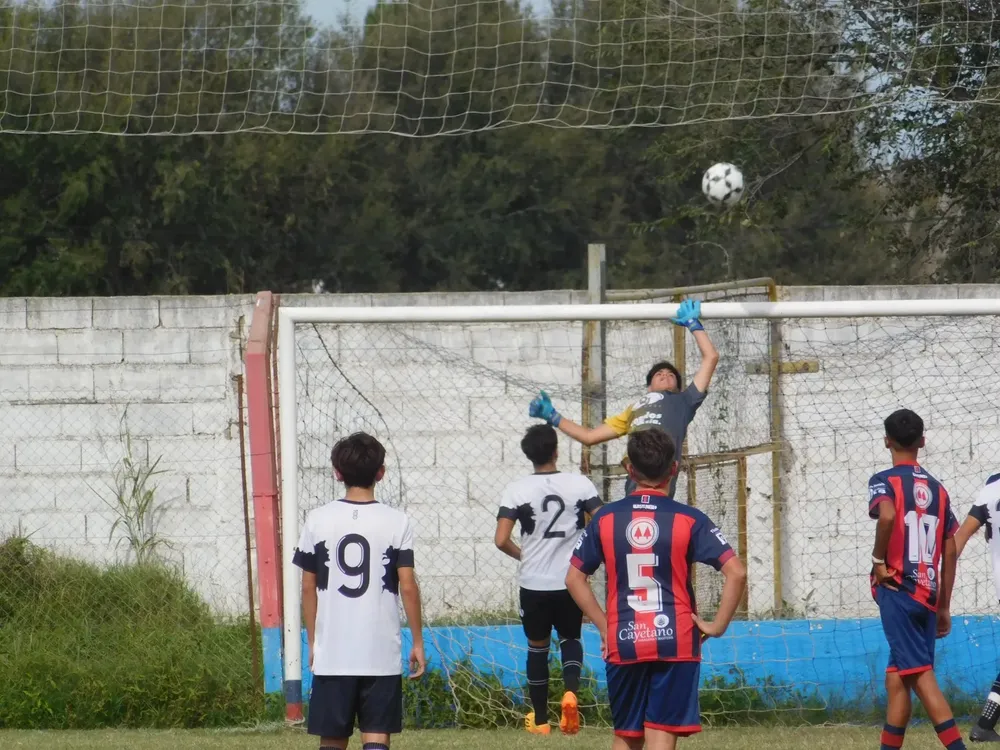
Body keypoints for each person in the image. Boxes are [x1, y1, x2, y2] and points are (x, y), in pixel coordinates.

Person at [565, 427, 746, 750]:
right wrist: (716, 626)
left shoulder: (605, 518)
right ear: (674, 468)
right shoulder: (690, 519)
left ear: (629, 470)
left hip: (625, 637)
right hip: (675, 638)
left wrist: (606, 628)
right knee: (662, 733)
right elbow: (737, 572)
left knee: (627, 736)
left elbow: (574, 578)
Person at [293, 432, 426, 750]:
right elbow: (407, 585)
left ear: (337, 473)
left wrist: (313, 641)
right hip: (380, 651)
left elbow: (308, 586)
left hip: (335, 652)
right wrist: (418, 642)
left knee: (333, 737)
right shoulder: (397, 521)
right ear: (381, 472)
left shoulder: (317, 519)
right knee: (377, 733)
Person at [528, 298, 719, 498]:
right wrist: (552, 416)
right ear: (648, 387)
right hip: (633, 489)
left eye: (671, 375)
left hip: (660, 488)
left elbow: (711, 357)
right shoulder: (633, 410)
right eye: (658, 373)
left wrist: (693, 325)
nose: (665, 374)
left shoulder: (684, 401)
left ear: (678, 387)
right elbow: (589, 437)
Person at [495, 423, 604, 735]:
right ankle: (570, 692)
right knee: (571, 639)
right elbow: (603, 522)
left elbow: (501, 539)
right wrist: (589, 558)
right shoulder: (579, 484)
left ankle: (540, 720)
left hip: (534, 583)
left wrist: (524, 555)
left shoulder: (517, 489)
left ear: (528, 455)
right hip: (571, 580)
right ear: (557, 451)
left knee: (537, 647)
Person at [867, 409, 965, 750]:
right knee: (897, 679)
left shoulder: (884, 480)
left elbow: (888, 514)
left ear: (886, 441)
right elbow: (949, 549)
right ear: (922, 442)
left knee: (922, 677)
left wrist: (878, 560)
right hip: (927, 595)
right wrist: (944, 605)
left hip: (898, 589)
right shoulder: (939, 490)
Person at [952, 471, 1000, 743]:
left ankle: (985, 724)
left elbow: (961, 538)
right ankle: (984, 724)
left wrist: (942, 582)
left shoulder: (992, 486)